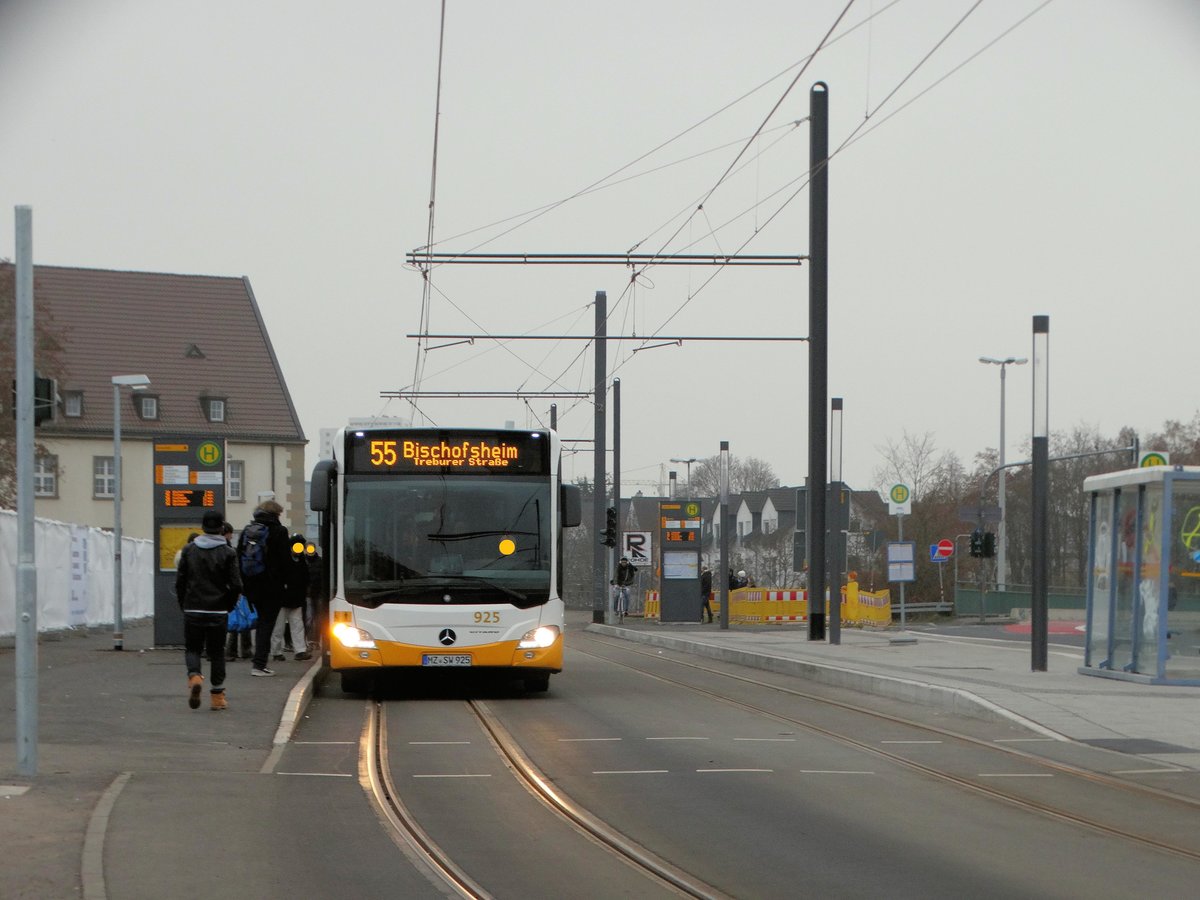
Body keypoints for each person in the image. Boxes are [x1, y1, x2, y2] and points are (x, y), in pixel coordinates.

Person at [176, 510, 241, 711]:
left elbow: (181, 581)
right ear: (222, 528)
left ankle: (195, 676)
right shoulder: (229, 553)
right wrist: (228, 604)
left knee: (193, 648)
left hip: (193, 608)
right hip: (218, 611)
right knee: (217, 653)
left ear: (202, 527)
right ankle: (217, 697)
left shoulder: (189, 550)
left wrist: (184, 603)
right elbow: (236, 585)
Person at [239, 499, 291, 676]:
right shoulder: (279, 531)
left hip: (252, 586)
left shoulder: (247, 531)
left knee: (260, 622)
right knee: (266, 625)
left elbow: (239, 559)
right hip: (272, 587)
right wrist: (286, 583)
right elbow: (286, 561)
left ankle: (258, 661)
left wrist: (245, 586)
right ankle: (259, 665)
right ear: (276, 514)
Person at [272, 533, 311, 662]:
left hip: (293, 598)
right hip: (284, 599)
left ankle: (299, 651)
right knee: (280, 627)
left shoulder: (299, 561)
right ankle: (278, 651)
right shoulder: (290, 560)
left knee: (296, 625)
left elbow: (305, 578)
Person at [223, 522, 252, 661]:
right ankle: (243, 650)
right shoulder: (231, 550)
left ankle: (230, 651)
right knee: (241, 619)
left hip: (220, 589)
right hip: (234, 589)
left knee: (232, 620)